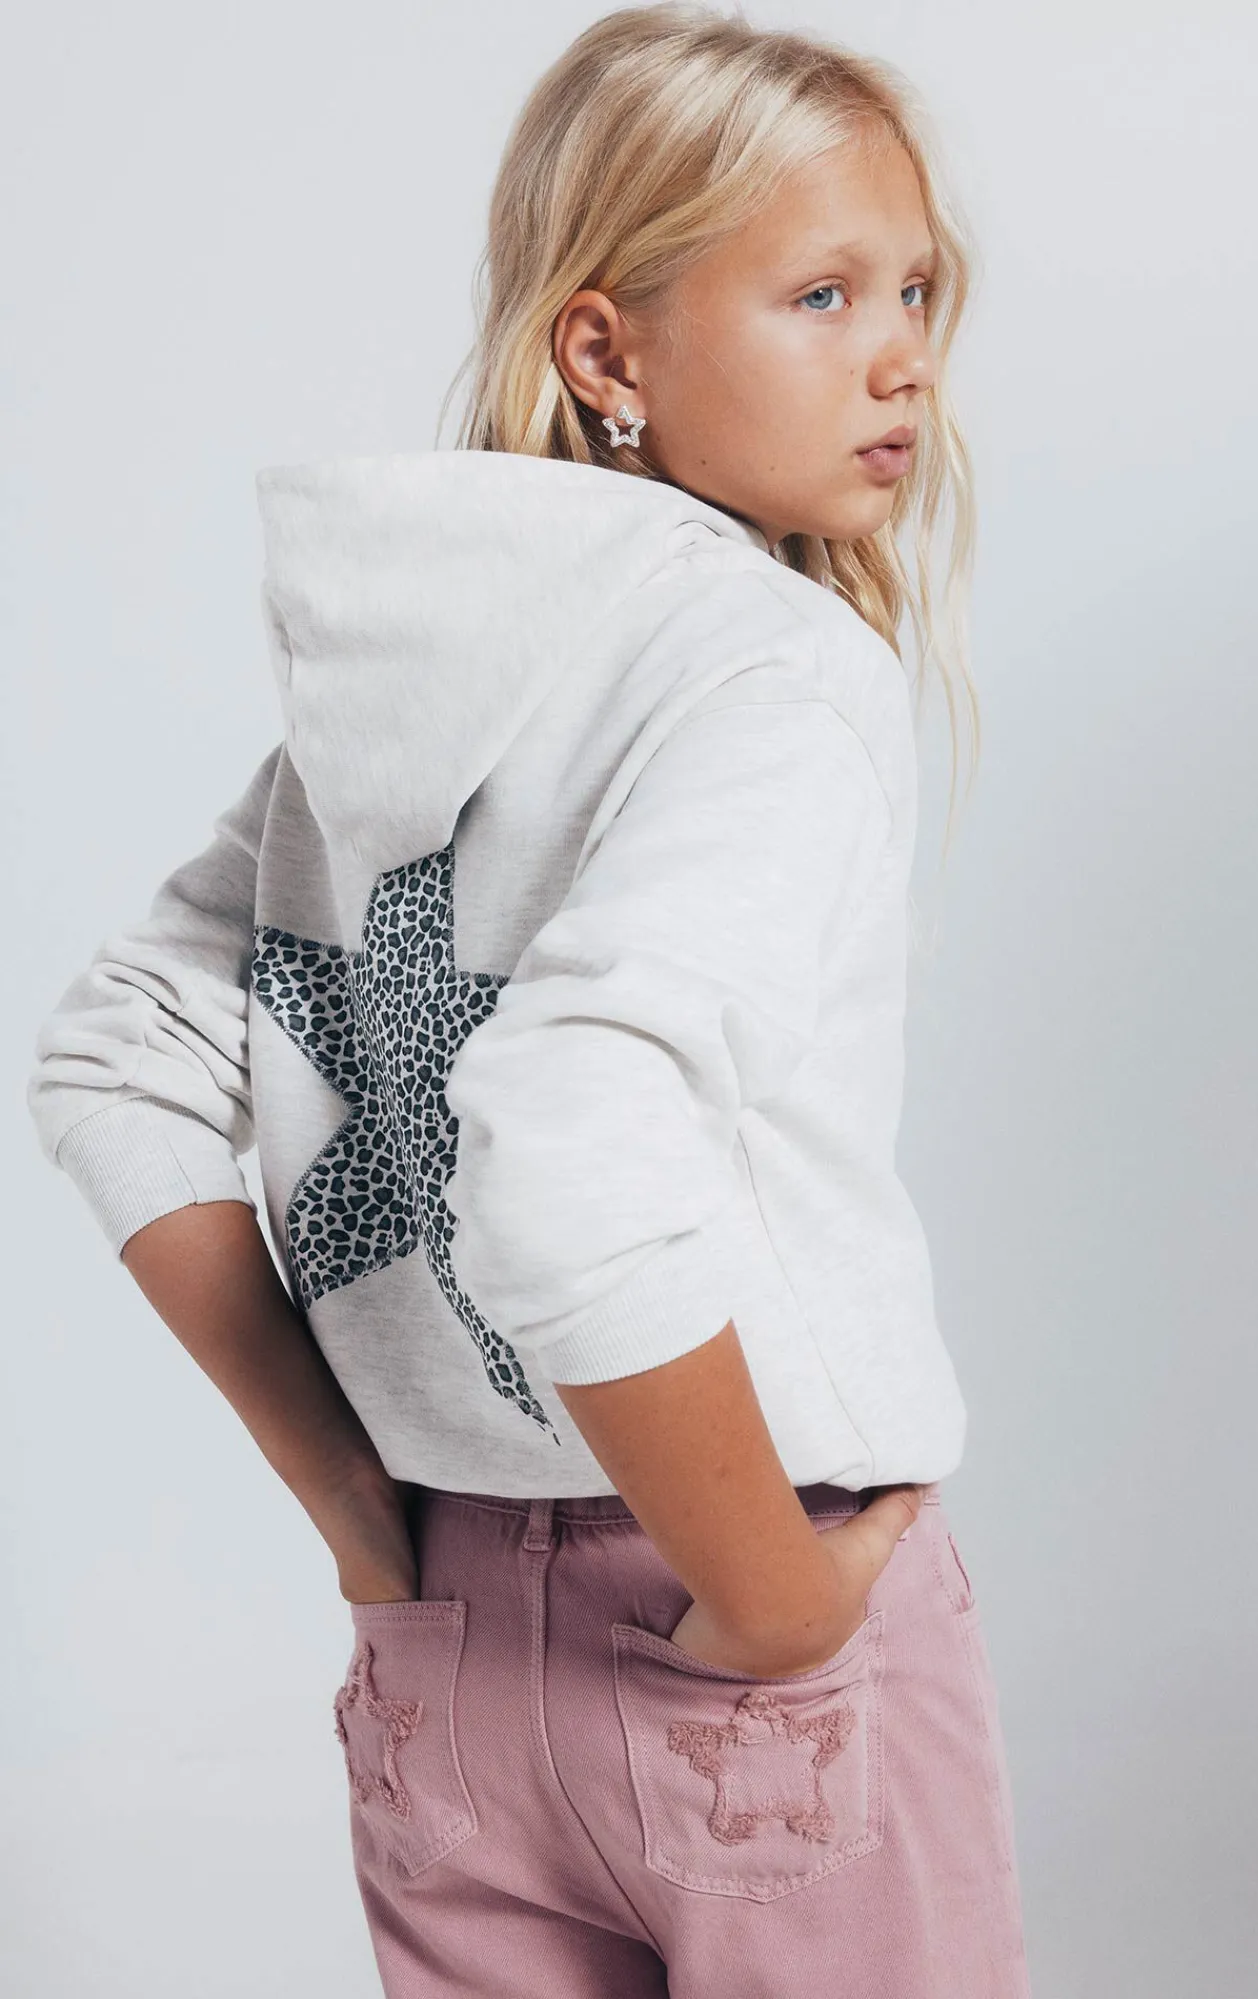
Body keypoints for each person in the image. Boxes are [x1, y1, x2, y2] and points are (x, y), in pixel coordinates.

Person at [26, 5, 1030, 1993]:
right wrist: (775, 1608)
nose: (906, 356)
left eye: (918, 290)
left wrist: (354, 1500)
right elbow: (571, 1138)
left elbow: (120, 1050)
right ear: (605, 354)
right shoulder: (772, 673)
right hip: (747, 1607)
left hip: (450, 1633)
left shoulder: (405, 692)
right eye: (823, 294)